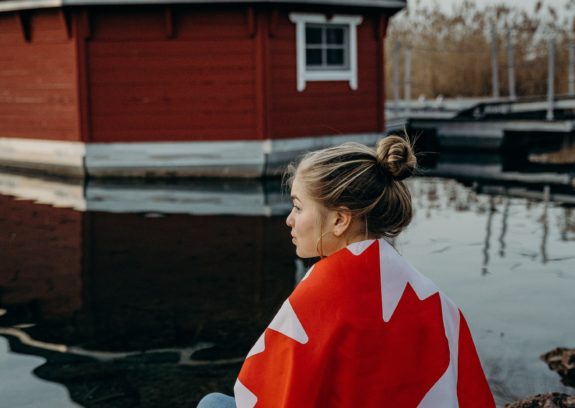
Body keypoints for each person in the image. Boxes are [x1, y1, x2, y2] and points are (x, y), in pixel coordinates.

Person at [198, 135, 495, 408]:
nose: (289, 220)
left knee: (212, 403)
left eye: (298, 208)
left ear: (340, 220)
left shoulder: (320, 296)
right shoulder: (436, 300)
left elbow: (271, 395)